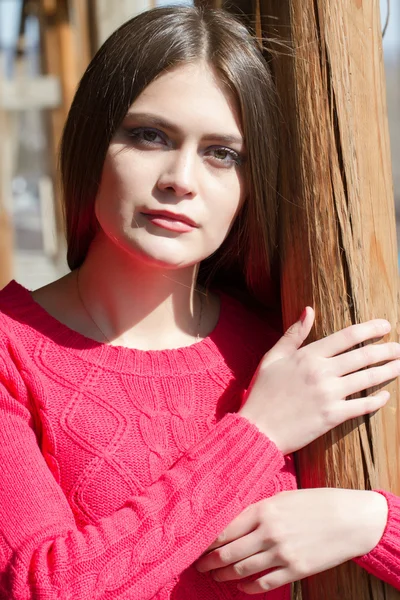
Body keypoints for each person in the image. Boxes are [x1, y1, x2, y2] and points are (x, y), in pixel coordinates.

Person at [0, 6, 399, 599]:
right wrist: (257, 433)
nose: (180, 178)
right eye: (149, 135)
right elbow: (45, 587)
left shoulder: (288, 344)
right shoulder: (11, 351)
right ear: (92, 145)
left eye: (222, 154)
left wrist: (370, 524)